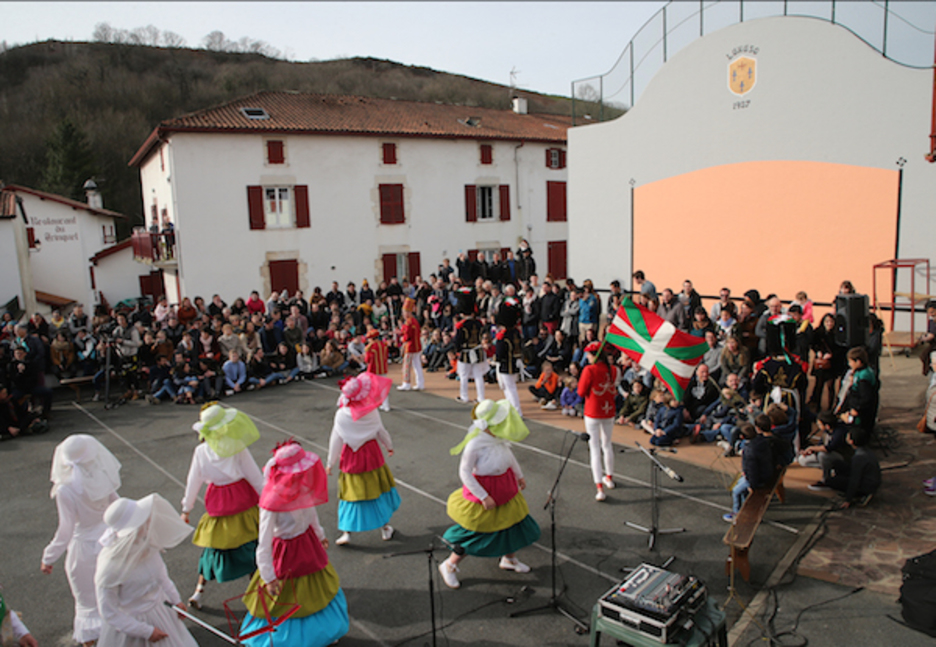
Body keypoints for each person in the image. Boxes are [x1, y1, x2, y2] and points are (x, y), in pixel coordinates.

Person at [240, 441, 349, 647]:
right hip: (285, 553)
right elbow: (263, 543)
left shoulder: (301, 489)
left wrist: (319, 534)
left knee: (314, 591)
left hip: (307, 544)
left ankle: (323, 633)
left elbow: (311, 513)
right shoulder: (270, 502)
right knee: (289, 598)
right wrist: (269, 576)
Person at [439, 399, 541, 589]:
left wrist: (519, 475)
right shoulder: (475, 444)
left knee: (512, 524)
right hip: (487, 491)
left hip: (505, 487)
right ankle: (450, 564)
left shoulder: (498, 438)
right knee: (478, 530)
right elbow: (465, 472)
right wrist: (483, 496)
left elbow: (509, 457)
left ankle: (509, 559)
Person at [181, 404, 264, 609]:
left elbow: (193, 481)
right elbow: (255, 477)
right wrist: (268, 501)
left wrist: (186, 509)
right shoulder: (237, 446)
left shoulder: (201, 451)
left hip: (218, 502)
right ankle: (258, 594)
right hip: (242, 499)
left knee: (213, 548)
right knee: (253, 545)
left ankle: (199, 591)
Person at [41, 435, 121, 647]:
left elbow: (65, 529)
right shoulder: (101, 474)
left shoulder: (65, 489)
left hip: (84, 550)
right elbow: (117, 506)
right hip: (109, 542)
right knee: (113, 595)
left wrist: (49, 556)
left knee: (88, 602)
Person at [95, 494, 196, 646]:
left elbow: (162, 577)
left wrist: (176, 600)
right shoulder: (110, 568)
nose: (148, 519)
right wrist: (146, 631)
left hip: (161, 613)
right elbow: (109, 612)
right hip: (133, 627)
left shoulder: (147, 547)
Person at [326, 373, 399, 546]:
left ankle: (346, 532)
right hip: (371, 455)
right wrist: (389, 446)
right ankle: (385, 528)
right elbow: (381, 431)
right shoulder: (371, 411)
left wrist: (330, 462)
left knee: (350, 495)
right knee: (377, 492)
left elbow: (335, 439)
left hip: (351, 457)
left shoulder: (341, 415)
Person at [578, 342, 619, 501]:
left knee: (594, 448)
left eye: (589, 354)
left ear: (594, 355)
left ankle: (599, 488)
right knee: (607, 445)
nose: (587, 357)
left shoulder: (589, 370)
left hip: (593, 411)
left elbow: (581, 391)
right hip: (608, 411)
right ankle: (609, 478)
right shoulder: (613, 370)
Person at [828, 427, 881, 507]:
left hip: (865, 486)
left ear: (851, 441)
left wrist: (848, 500)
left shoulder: (859, 457)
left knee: (830, 481)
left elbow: (855, 479)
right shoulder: (866, 451)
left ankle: (860, 495)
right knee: (837, 464)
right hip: (869, 479)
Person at [453, 288, 488, 404]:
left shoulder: (461, 325)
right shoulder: (479, 323)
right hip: (478, 351)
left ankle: (464, 396)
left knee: (463, 375)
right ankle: (481, 397)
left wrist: (457, 350)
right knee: (478, 376)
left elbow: (458, 340)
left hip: (466, 352)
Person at [494, 298, 524, 416]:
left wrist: (496, 359)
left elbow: (500, 352)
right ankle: (511, 408)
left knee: (510, 388)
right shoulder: (516, 332)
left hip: (506, 364)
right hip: (515, 362)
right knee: (509, 387)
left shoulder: (503, 336)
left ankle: (517, 411)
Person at [397, 298, 424, 392]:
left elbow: (407, 336)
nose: (403, 314)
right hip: (417, 346)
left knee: (407, 365)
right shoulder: (415, 321)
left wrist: (402, 338)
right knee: (417, 365)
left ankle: (406, 383)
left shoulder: (408, 322)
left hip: (410, 346)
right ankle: (420, 383)